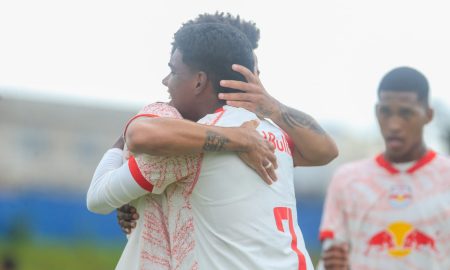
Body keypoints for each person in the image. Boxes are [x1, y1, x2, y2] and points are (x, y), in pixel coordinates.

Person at [88, 21, 337, 270]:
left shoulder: (191, 147)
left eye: (174, 72)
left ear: (199, 81)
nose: (166, 81)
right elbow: (326, 150)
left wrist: (125, 146)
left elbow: (100, 194)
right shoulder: (273, 135)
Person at [318, 67, 450, 269]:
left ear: (428, 115)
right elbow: (332, 256)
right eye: (386, 112)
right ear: (376, 112)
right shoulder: (348, 180)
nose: (394, 125)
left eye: (406, 113)